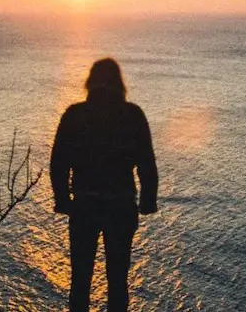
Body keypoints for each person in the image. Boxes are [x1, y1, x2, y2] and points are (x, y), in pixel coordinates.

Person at [50, 58, 159, 312]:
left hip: (85, 205)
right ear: (120, 83)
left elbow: (58, 162)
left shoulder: (74, 114)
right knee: (118, 281)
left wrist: (63, 200)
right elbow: (146, 162)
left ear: (90, 82)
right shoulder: (133, 114)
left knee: (80, 280)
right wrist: (147, 202)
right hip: (121, 206)